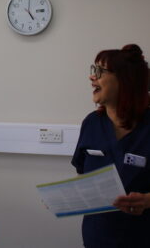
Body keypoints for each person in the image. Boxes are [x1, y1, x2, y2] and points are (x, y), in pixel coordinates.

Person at [72, 44, 150, 248]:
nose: (92, 77)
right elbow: (84, 177)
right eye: (93, 70)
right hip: (97, 237)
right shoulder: (91, 124)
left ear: (125, 80)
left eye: (100, 72)